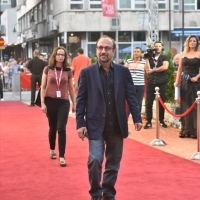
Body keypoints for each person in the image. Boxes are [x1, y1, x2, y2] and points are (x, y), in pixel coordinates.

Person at [76, 35, 143, 200]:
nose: (103, 51)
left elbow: (131, 96)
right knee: (95, 161)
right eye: (100, 48)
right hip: (95, 124)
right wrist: (80, 123)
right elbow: (81, 99)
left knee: (113, 163)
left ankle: (109, 193)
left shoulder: (123, 71)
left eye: (107, 48)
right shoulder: (87, 72)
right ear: (96, 50)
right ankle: (95, 193)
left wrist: (137, 117)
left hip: (117, 125)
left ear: (113, 51)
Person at [40, 46, 75, 166]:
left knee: (61, 128)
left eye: (63, 55)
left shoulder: (68, 70)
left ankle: (62, 156)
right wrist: (43, 103)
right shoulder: (48, 69)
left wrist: (74, 103)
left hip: (64, 102)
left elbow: (71, 88)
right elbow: (43, 87)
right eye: (58, 54)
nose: (60, 56)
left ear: (65, 57)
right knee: (53, 127)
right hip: (50, 101)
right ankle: (52, 149)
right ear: (54, 56)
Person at [174, 35, 200, 139]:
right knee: (185, 106)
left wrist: (197, 77)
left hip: (196, 83)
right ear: (187, 42)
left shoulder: (199, 54)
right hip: (185, 83)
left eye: (195, 41)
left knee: (194, 107)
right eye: (191, 41)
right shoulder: (182, 54)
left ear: (197, 43)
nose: (193, 43)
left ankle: (194, 130)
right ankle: (185, 129)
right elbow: (180, 69)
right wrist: (177, 81)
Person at [144, 41, 169, 129]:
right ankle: (149, 121)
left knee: (161, 102)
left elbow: (165, 67)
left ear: (162, 47)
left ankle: (161, 120)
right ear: (153, 48)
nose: (158, 47)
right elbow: (147, 70)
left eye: (159, 46)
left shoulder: (164, 57)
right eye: (156, 46)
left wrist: (153, 70)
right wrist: (146, 59)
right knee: (148, 103)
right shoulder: (150, 58)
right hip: (151, 82)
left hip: (161, 82)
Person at [125, 47, 145, 113]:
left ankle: (137, 120)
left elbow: (148, 70)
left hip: (140, 85)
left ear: (140, 53)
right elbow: (124, 71)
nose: (136, 53)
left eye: (137, 51)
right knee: (128, 102)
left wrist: (147, 59)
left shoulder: (144, 62)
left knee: (139, 103)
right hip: (130, 85)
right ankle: (126, 119)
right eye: (135, 51)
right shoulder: (128, 61)